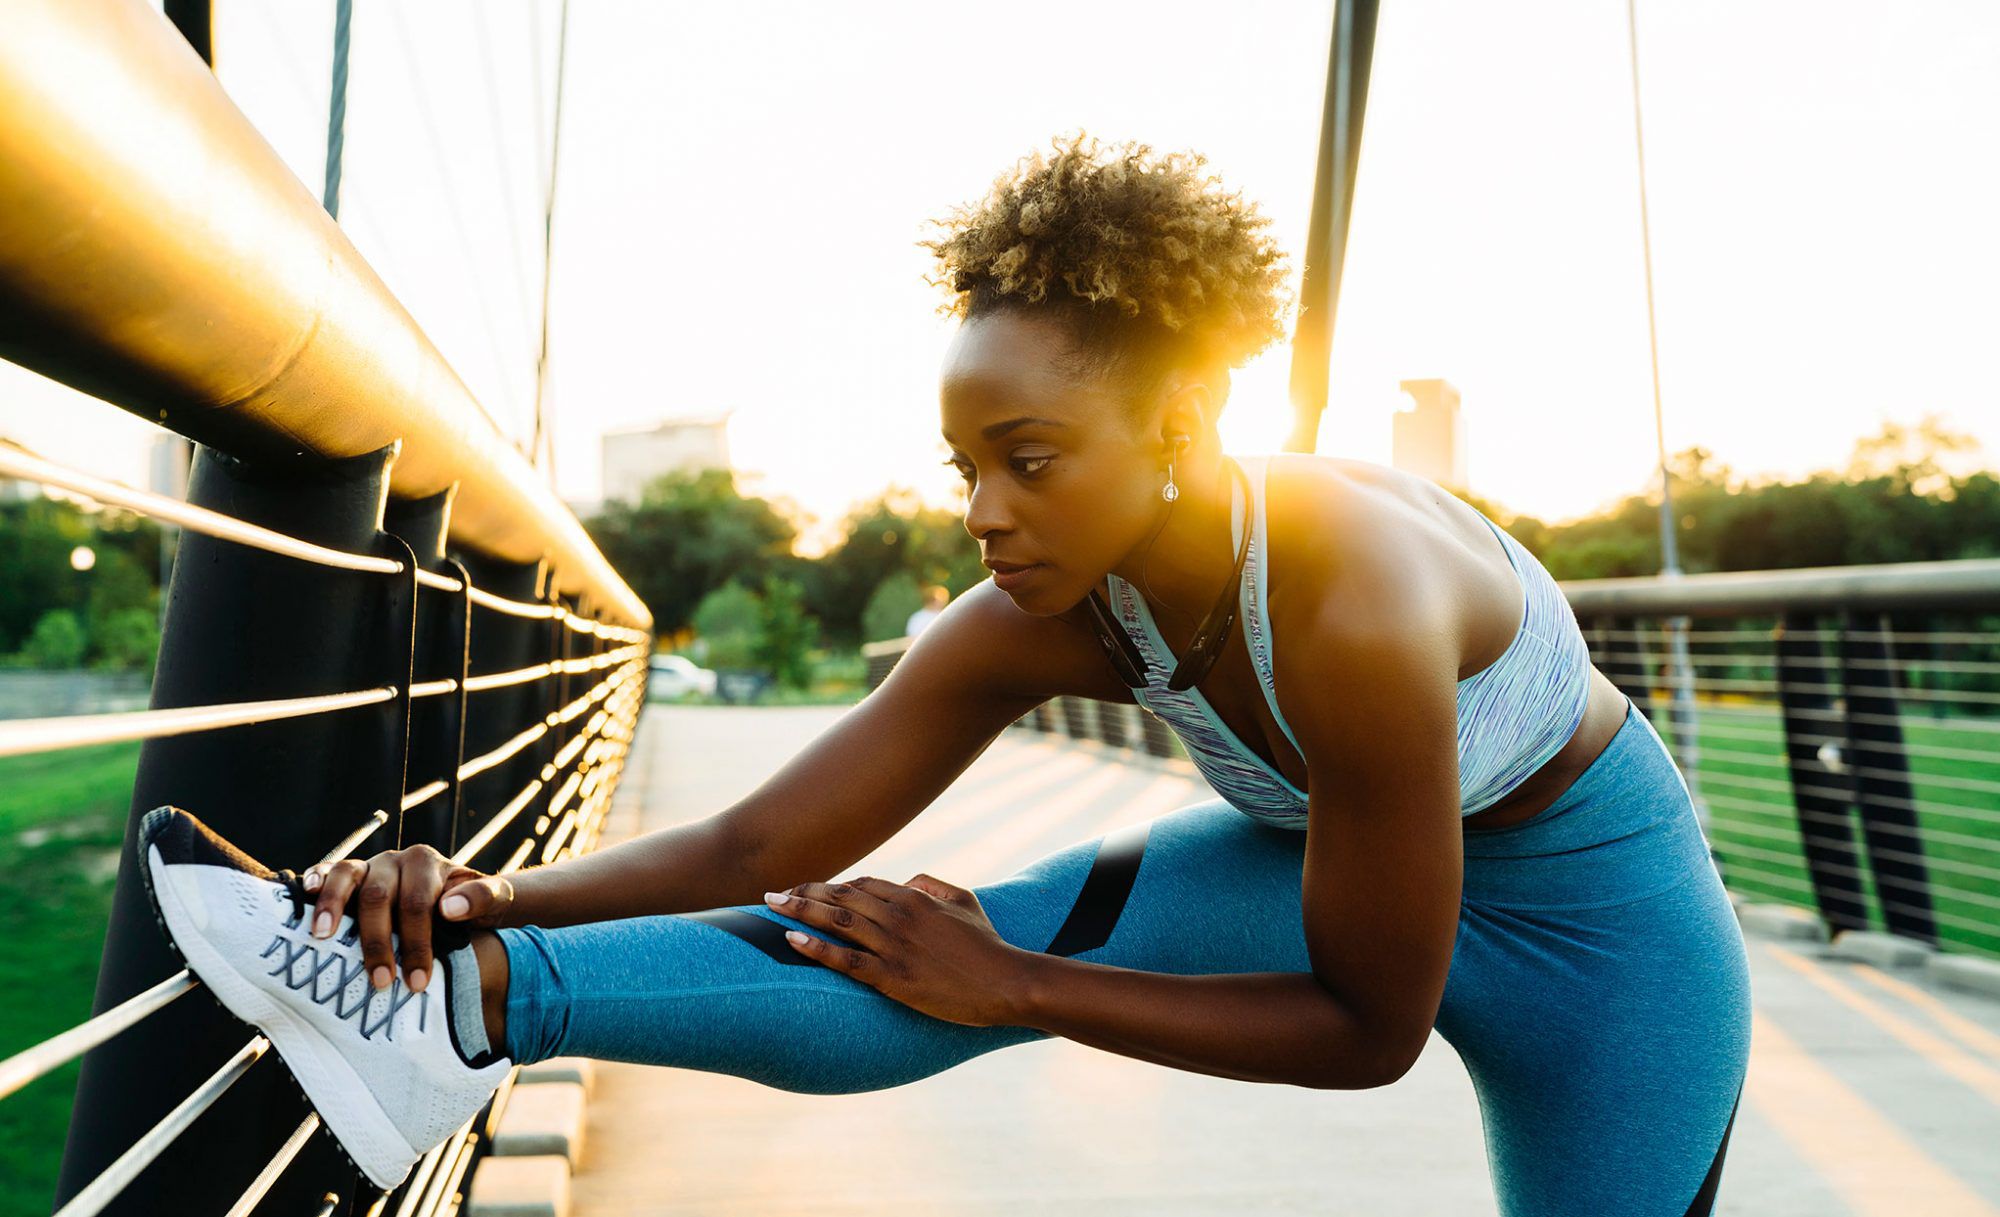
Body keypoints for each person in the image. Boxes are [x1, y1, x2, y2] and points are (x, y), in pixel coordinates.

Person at [140, 133, 1750, 1213]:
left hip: (1608, 945)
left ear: (1179, 434)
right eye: (967, 461)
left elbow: (1367, 1027)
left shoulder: (1355, 604)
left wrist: (1027, 990)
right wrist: (486, 899)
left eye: (1031, 458)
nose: (986, 511)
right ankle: (456, 1009)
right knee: (901, 937)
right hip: (1318, 870)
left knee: (984, 958)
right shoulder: (1035, 610)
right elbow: (754, 851)